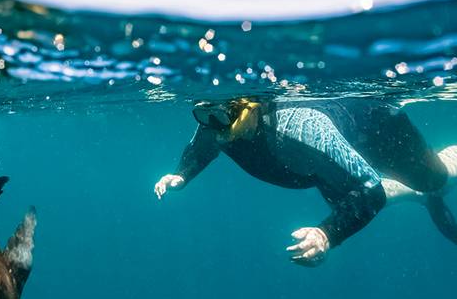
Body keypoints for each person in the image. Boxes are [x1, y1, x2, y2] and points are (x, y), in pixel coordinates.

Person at [154, 98, 457, 267]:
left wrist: (327, 234)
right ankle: (422, 196)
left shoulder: (302, 127)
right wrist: (181, 173)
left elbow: (372, 191)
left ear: (250, 110)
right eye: (204, 115)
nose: (212, 125)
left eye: (220, 115)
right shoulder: (217, 125)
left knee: (435, 178)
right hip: (322, 167)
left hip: (380, 127)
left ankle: (433, 184)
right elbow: (202, 146)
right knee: (347, 202)